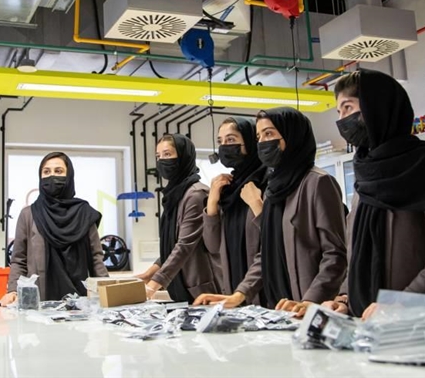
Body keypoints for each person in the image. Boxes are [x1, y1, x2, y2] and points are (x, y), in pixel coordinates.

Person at [319, 70, 425, 320]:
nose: (342, 120)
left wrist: (404, 301)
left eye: (348, 108)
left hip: (414, 318)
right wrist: (344, 298)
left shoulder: (424, 163)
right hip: (365, 317)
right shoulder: (365, 169)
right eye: (338, 112)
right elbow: (358, 251)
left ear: (376, 106)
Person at [195, 107, 347, 316]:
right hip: (276, 305)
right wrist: (239, 294)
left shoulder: (318, 182)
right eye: (259, 137)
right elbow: (267, 250)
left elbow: (336, 254)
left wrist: (311, 301)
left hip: (304, 306)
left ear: (291, 135)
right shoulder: (275, 188)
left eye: (269, 134)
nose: (263, 143)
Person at [1, 152, 108, 305]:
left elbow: (96, 258)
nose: (52, 176)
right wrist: (12, 290)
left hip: (81, 303)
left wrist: (107, 291)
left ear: (69, 176)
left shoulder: (84, 213)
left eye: (58, 171)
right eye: (46, 172)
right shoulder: (29, 214)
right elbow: (19, 260)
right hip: (40, 302)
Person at [135, 134, 217, 304]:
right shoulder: (174, 194)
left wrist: (153, 285)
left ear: (184, 156)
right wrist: (151, 272)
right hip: (180, 287)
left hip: (199, 289)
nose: (162, 161)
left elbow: (185, 245)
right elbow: (172, 244)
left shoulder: (196, 194)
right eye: (158, 156)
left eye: (167, 154)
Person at [199, 117, 268, 307]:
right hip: (233, 292)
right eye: (220, 141)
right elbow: (213, 246)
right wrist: (212, 202)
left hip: (264, 292)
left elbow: (275, 243)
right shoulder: (228, 190)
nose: (224, 147)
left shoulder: (267, 183)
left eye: (231, 139)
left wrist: (257, 204)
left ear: (250, 141)